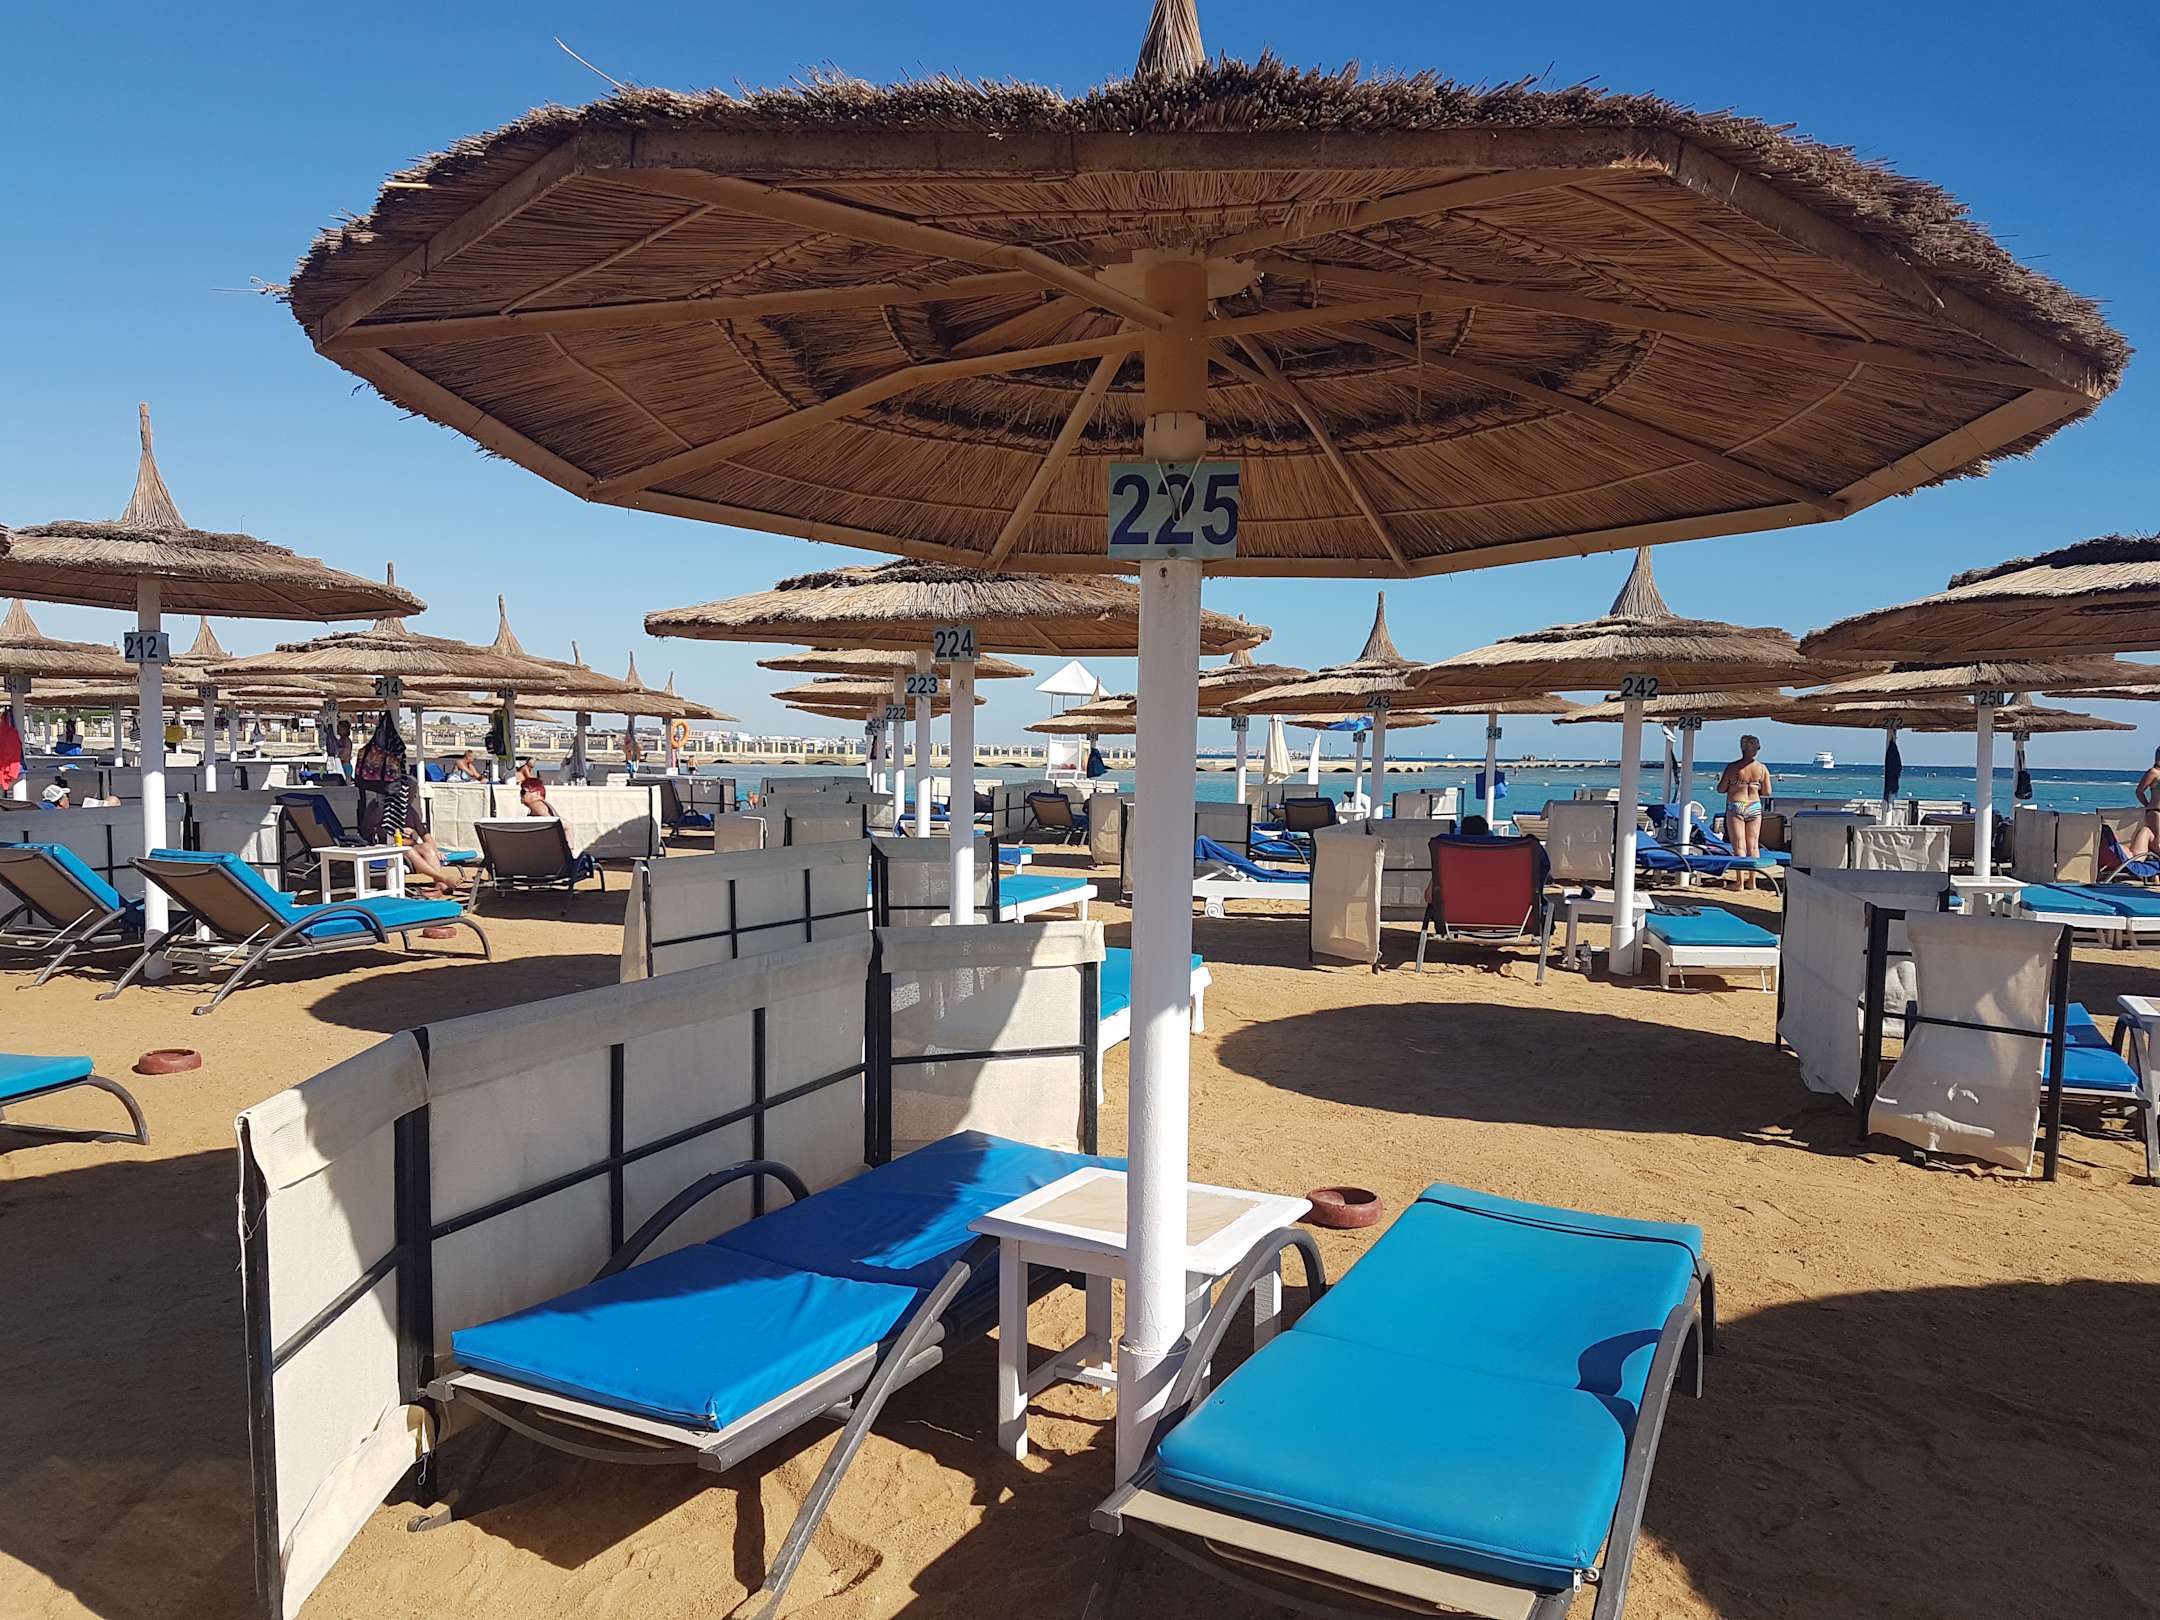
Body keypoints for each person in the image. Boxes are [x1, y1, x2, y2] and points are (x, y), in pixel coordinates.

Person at [1717, 734, 1774, 889]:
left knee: (1739, 845)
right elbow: (1767, 792)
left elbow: (1721, 789)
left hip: (1737, 804)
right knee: (1753, 846)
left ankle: (1739, 882)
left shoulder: (1732, 767)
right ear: (1758, 749)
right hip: (1754, 805)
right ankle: (1752, 881)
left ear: (1741, 748)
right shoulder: (1762, 768)